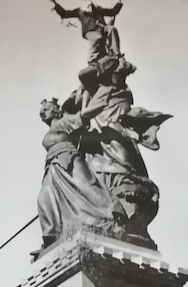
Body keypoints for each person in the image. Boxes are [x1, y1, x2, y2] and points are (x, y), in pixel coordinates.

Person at [36, 98, 127, 249]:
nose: (42, 113)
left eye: (46, 109)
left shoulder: (65, 121)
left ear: (56, 110)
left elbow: (83, 115)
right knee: (43, 199)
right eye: (41, 112)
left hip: (69, 159)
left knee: (87, 188)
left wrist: (102, 105)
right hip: (52, 166)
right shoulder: (51, 129)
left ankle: (115, 213)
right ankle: (51, 238)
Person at [51, 0, 123, 64]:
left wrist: (119, 2)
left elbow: (112, 12)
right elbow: (65, 14)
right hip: (91, 31)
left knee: (111, 29)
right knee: (96, 38)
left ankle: (116, 53)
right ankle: (92, 60)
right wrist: (55, 4)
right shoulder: (79, 11)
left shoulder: (98, 9)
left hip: (102, 28)